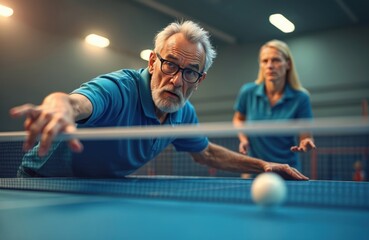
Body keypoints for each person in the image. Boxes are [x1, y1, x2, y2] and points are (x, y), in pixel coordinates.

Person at [10, 21, 308, 180]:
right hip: (43, 182)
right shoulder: (120, 89)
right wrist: (58, 107)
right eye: (170, 65)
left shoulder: (183, 112)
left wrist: (263, 165)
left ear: (200, 80)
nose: (177, 80)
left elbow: (207, 153)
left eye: (191, 72)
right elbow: (75, 103)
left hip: (100, 188)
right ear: (153, 62)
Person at [233, 39, 316, 171]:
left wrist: (306, 142)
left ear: (288, 64)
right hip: (255, 168)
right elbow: (238, 119)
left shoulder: (301, 98)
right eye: (265, 61)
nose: (270, 65)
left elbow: (305, 135)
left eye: (276, 60)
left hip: (288, 170)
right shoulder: (247, 92)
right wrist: (244, 139)